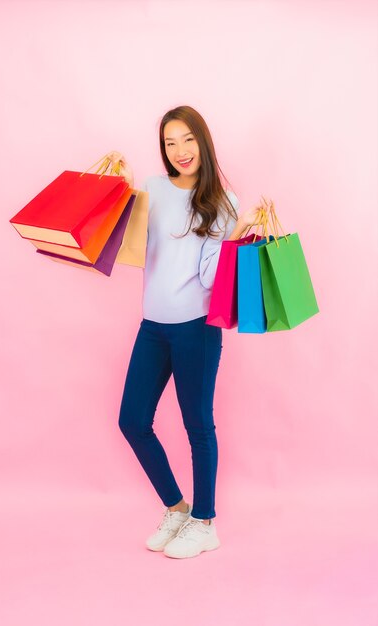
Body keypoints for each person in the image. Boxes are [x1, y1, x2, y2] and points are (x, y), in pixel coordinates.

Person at [105, 105, 264, 559]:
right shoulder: (152, 190)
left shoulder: (222, 202)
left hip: (196, 329)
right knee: (132, 421)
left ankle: (205, 522)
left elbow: (213, 279)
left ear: (203, 140)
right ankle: (177, 508)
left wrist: (235, 230)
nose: (180, 151)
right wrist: (117, 184)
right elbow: (127, 241)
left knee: (198, 425)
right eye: (170, 142)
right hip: (153, 327)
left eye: (187, 139)